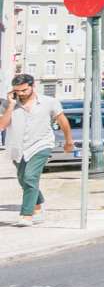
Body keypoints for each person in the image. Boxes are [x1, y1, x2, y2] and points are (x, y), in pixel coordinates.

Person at [0, 74, 72, 225]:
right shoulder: (8, 104)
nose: (21, 94)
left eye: (24, 90)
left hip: (41, 145)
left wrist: (68, 141)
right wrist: (11, 105)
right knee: (23, 179)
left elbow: (62, 121)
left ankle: (27, 215)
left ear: (33, 86)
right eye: (17, 91)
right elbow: (2, 125)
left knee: (30, 177)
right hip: (17, 148)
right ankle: (38, 205)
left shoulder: (49, 102)